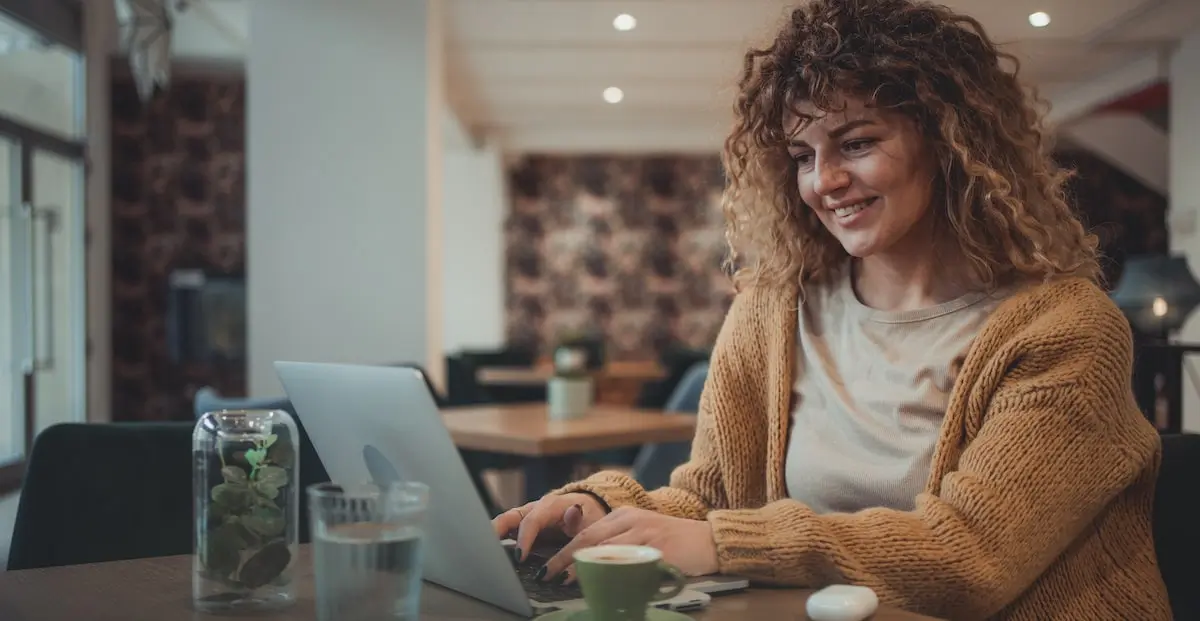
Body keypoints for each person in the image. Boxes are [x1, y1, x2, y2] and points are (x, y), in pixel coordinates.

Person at [491, 0, 1172, 618]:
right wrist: (604, 509)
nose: (825, 182)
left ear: (946, 140)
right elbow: (708, 499)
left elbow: (970, 557)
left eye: (856, 142)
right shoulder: (769, 312)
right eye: (802, 155)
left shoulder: (1067, 330)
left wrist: (725, 543)